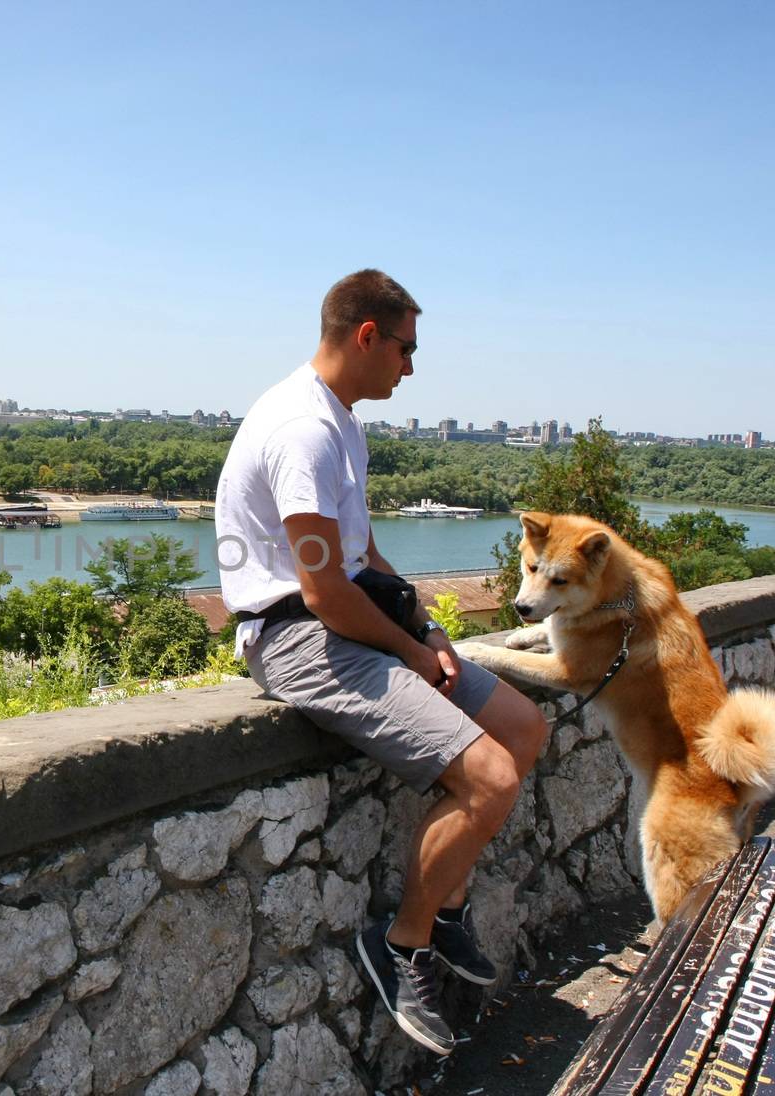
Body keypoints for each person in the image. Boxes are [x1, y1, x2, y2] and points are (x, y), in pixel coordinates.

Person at [214, 269, 548, 1056]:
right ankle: (402, 943)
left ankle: (448, 909)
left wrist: (426, 629)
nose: (410, 367)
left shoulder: (342, 421)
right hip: (298, 639)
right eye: (405, 348)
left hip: (355, 622)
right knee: (491, 777)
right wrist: (404, 646)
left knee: (522, 728)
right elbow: (325, 591)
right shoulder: (303, 429)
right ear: (366, 335)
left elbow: (362, 555)